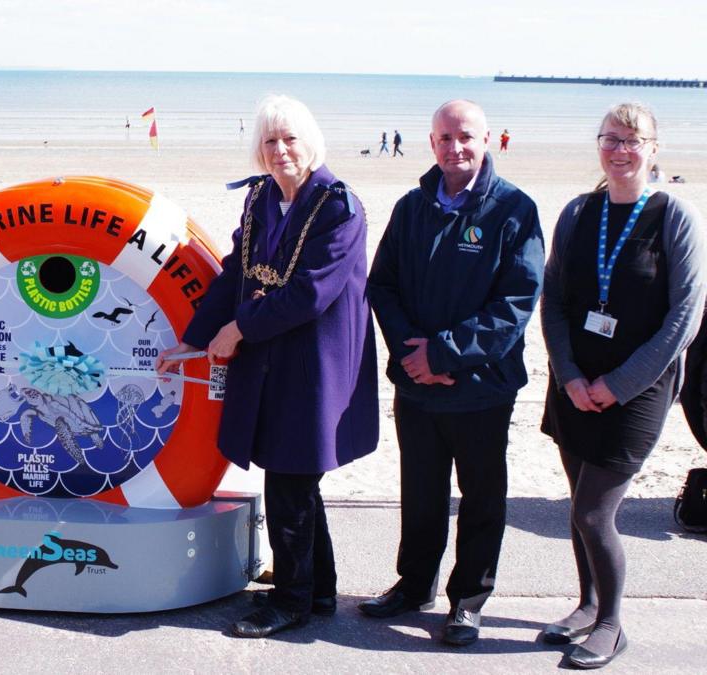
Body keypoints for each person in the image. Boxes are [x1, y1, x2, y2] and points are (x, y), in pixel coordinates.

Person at [156, 94, 379, 639]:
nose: (280, 150)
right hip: (272, 355)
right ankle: (318, 588)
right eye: (270, 141)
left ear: (311, 143)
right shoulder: (261, 200)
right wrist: (196, 336)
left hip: (315, 362)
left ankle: (291, 602)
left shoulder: (338, 206)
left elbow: (310, 293)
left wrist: (239, 330)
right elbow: (235, 272)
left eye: (290, 139)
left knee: (290, 477)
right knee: (295, 478)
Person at [363, 100, 544, 646]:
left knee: (482, 497)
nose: (455, 147)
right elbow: (383, 285)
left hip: (481, 389)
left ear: (487, 138)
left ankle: (468, 600)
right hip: (416, 385)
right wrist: (413, 356)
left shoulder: (514, 209)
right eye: (444, 138)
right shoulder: (413, 206)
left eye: (464, 136)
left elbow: (515, 305)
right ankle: (415, 583)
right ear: (431, 143)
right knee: (420, 491)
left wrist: (442, 356)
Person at [539, 103, 706, 668]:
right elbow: (555, 300)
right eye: (610, 138)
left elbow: (685, 316)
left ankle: (612, 624)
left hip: (639, 392)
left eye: (633, 140)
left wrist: (620, 382)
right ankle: (586, 605)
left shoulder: (673, 217)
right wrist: (569, 376)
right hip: (574, 384)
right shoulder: (579, 212)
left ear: (653, 149)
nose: (620, 149)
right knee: (576, 503)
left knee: (593, 513)